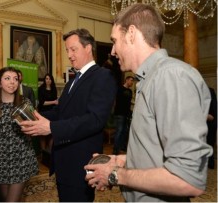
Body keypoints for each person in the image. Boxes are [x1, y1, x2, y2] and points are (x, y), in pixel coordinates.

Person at [84, 3, 213, 202]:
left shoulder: (171, 77)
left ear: (132, 34)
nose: (112, 51)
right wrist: (121, 160)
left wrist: (116, 175)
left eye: (114, 41)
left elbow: (187, 179)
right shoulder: (149, 79)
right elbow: (155, 152)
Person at [19, 28, 117, 201]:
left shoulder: (103, 76)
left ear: (88, 48)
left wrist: (51, 127)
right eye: (67, 50)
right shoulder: (73, 80)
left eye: (73, 49)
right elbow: (60, 110)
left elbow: (95, 119)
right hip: (63, 160)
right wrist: (35, 116)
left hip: (80, 162)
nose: (69, 55)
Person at [0, 67, 38, 202]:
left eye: (15, 79)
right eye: (7, 78)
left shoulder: (24, 103)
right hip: (2, 158)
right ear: (0, 83)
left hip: (22, 157)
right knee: (7, 199)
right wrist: (4, 145)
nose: (12, 82)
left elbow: (34, 127)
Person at [112, 75, 134, 154]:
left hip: (127, 114)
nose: (132, 82)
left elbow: (128, 102)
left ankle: (122, 147)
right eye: (131, 80)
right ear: (126, 80)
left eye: (132, 81)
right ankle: (115, 150)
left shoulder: (130, 91)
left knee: (125, 131)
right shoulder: (119, 89)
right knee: (119, 131)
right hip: (119, 114)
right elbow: (114, 100)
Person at [38, 73, 58, 152]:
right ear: (44, 80)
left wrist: (55, 103)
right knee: (42, 134)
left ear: (52, 80)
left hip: (52, 113)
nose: (48, 80)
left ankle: (49, 152)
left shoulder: (54, 89)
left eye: (49, 79)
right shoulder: (41, 89)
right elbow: (42, 103)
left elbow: (56, 101)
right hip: (43, 113)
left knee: (51, 134)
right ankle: (43, 152)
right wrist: (53, 102)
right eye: (46, 78)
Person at [207, 86, 217, 169]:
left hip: (210, 124)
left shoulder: (210, 91)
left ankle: (210, 163)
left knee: (209, 143)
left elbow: (212, 116)